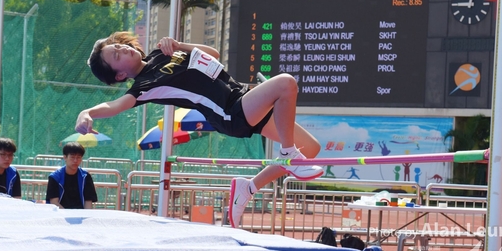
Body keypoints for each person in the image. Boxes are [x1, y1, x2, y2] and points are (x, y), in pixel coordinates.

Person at [75, 32, 323, 229]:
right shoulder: (144, 86)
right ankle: (288, 153)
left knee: (311, 149)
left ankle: (248, 187)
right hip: (229, 112)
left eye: (119, 46)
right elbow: (116, 105)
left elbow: (213, 55)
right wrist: (88, 112)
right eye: (116, 55)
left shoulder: (160, 53)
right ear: (120, 75)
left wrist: (179, 45)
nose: (123, 49)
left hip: (242, 96)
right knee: (285, 83)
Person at [46, 142, 98, 209]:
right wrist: (67, 214)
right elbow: (54, 202)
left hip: (81, 212)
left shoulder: (85, 176)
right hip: (60, 212)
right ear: (65, 157)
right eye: (72, 157)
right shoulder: (54, 177)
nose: (75, 160)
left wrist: (86, 214)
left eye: (78, 157)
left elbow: (88, 201)